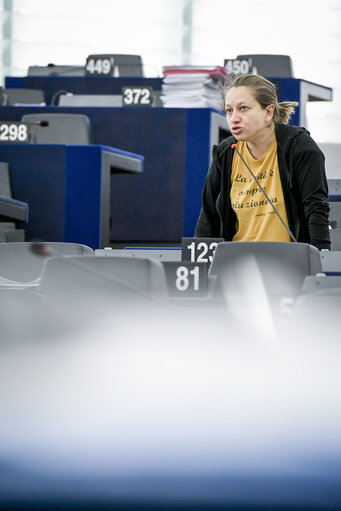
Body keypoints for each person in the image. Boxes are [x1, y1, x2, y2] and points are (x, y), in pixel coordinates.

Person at [195, 74, 330, 250]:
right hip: (235, 263)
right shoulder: (225, 153)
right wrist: (197, 264)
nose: (234, 118)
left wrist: (321, 259)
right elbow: (208, 218)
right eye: (229, 110)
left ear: (268, 112)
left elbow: (315, 208)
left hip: (288, 262)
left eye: (243, 108)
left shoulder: (298, 146)